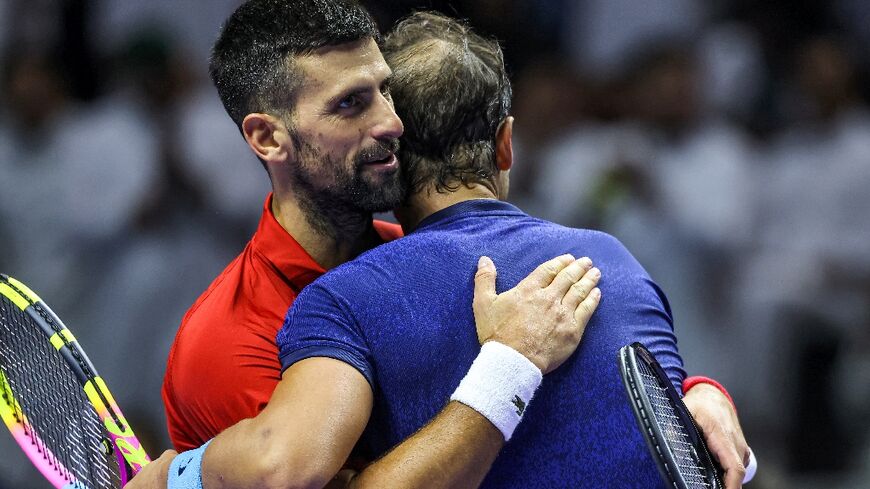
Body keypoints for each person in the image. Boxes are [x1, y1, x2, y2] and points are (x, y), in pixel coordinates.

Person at [144, 1, 748, 487]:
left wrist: (694, 396)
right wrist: (508, 363)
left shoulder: (407, 261)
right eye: (352, 104)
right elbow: (290, 470)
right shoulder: (224, 343)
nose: (391, 124)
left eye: (387, 92)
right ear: (268, 137)